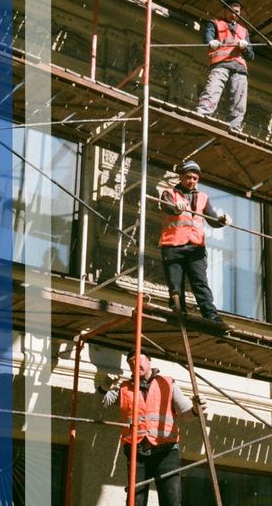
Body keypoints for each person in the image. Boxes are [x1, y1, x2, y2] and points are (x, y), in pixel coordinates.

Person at [99, 349, 206, 506]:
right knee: (136, 502)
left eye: (139, 360)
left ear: (149, 361)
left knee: (171, 501)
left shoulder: (167, 384)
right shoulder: (124, 388)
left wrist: (197, 409)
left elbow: (185, 413)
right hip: (137, 452)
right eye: (131, 363)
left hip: (166, 452)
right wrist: (104, 386)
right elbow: (104, 402)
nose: (135, 365)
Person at [159, 160, 231, 324]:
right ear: (181, 177)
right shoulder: (169, 193)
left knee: (200, 282)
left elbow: (212, 218)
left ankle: (211, 314)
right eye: (188, 177)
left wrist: (221, 220)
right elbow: (167, 206)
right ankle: (179, 310)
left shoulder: (203, 197)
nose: (191, 181)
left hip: (195, 247)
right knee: (175, 284)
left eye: (195, 178)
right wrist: (175, 207)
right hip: (173, 245)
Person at [196, 0, 254, 132]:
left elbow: (251, 55)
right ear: (224, 10)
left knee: (239, 100)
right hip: (221, 64)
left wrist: (245, 48)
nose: (234, 15)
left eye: (237, 12)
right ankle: (202, 114)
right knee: (213, 90)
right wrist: (211, 42)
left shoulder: (243, 31)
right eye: (231, 11)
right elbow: (207, 37)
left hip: (239, 67)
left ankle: (234, 127)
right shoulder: (215, 23)